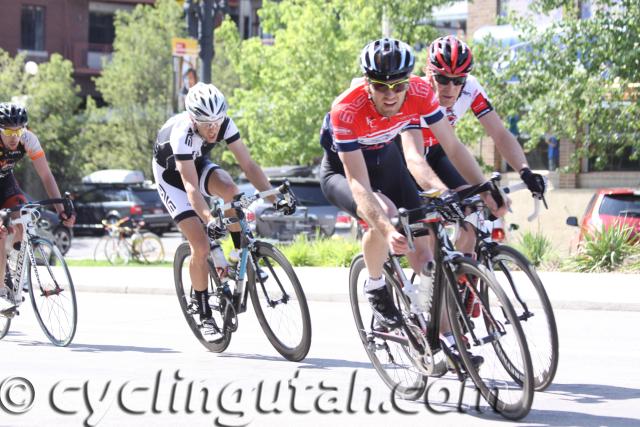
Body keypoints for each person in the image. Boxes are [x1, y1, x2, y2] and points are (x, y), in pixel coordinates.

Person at [319, 38, 504, 341]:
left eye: (398, 86)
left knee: (426, 257)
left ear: (409, 81)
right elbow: (358, 183)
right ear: (367, 84)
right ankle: (376, 285)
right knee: (386, 215)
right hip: (343, 171)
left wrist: (479, 188)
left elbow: (453, 147)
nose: (390, 95)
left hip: (387, 161)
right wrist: (387, 229)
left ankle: (445, 340)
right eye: (381, 86)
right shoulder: (346, 109)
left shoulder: (419, 92)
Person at [152, 82, 296, 329]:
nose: (213, 129)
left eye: (217, 122)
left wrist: (275, 199)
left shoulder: (225, 123)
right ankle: (202, 307)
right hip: (172, 178)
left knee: (232, 191)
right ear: (193, 118)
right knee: (201, 245)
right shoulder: (182, 134)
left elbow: (249, 166)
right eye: (207, 124)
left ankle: (237, 256)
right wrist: (209, 220)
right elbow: (190, 187)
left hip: (196, 164)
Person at [417, 35, 546, 253]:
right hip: (410, 158)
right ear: (427, 71)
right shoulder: (415, 91)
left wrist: (524, 171)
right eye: (442, 79)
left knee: (473, 212)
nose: (450, 87)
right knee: (428, 230)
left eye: (458, 80)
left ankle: (464, 280)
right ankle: (431, 276)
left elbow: (500, 133)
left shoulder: (471, 89)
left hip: (438, 153)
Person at [0, 103, 75, 307]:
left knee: (22, 220)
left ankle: (15, 273)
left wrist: (61, 211)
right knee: (1, 231)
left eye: (19, 130)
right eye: (8, 131)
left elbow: (46, 176)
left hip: (5, 181)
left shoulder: (28, 140)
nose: (14, 136)